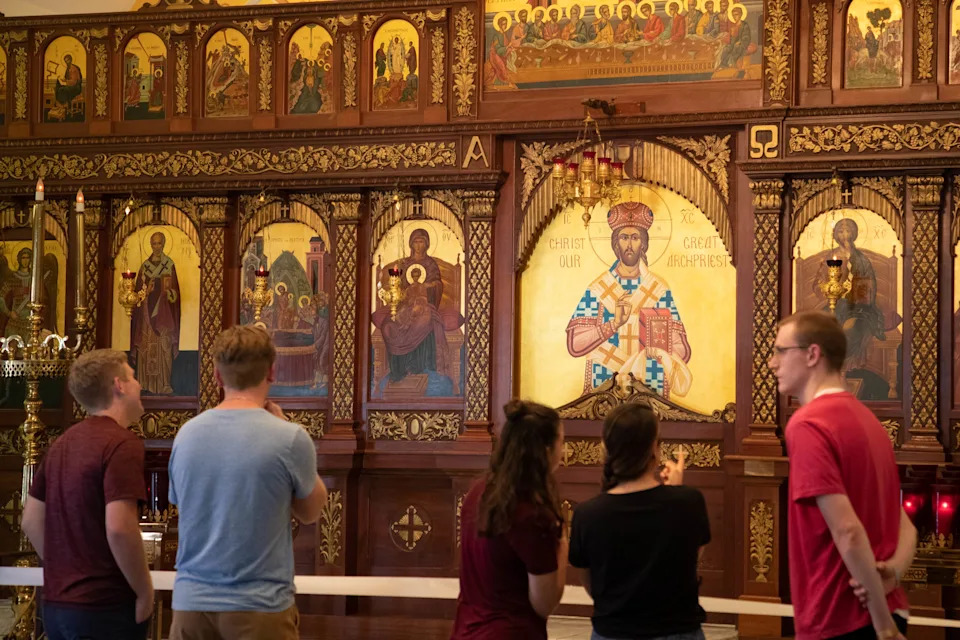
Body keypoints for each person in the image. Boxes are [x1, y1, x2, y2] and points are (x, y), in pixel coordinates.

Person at [168, 325, 328, 640]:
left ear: (216, 375)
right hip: (259, 608)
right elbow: (311, 512)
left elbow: (181, 503)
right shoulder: (288, 437)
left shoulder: (186, 435)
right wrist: (283, 426)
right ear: (272, 372)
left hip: (191, 605)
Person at [769, 311, 917, 640]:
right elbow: (905, 524)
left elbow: (847, 531)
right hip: (889, 607)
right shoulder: (870, 422)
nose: (772, 363)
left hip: (841, 616)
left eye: (780, 351)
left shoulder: (809, 424)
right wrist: (892, 573)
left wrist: (883, 627)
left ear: (812, 354)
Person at [22, 349, 153, 640]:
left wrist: (68, 570)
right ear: (119, 385)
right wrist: (144, 591)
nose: (139, 385)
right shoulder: (121, 443)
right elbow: (119, 527)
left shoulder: (61, 444)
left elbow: (30, 520)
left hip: (57, 606)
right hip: (105, 608)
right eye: (133, 377)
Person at [569, 403, 703, 640]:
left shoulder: (588, 515)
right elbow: (691, 562)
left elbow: (591, 584)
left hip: (613, 632)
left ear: (606, 448)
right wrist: (677, 493)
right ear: (654, 448)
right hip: (677, 631)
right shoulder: (688, 502)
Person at [451, 400, 567, 640]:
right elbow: (544, 604)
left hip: (467, 630)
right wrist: (562, 542)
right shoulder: (531, 514)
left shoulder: (478, 492)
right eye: (561, 442)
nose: (563, 450)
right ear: (546, 449)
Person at [566, 202, 691, 400]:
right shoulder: (599, 288)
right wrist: (614, 324)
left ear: (644, 243)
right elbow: (575, 344)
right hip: (604, 386)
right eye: (624, 238)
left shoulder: (658, 289)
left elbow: (682, 351)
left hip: (650, 386)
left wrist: (659, 349)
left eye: (635, 237)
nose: (630, 245)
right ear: (616, 243)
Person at [130, 231, 181, 395]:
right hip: (146, 316)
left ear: (164, 244)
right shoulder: (144, 267)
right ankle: (144, 383)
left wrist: (170, 294)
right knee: (145, 348)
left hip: (164, 316)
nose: (156, 247)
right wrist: (147, 290)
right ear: (150, 245)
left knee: (164, 347)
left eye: (159, 243)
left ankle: (165, 383)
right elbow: (136, 296)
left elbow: (176, 295)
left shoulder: (169, 264)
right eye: (154, 243)